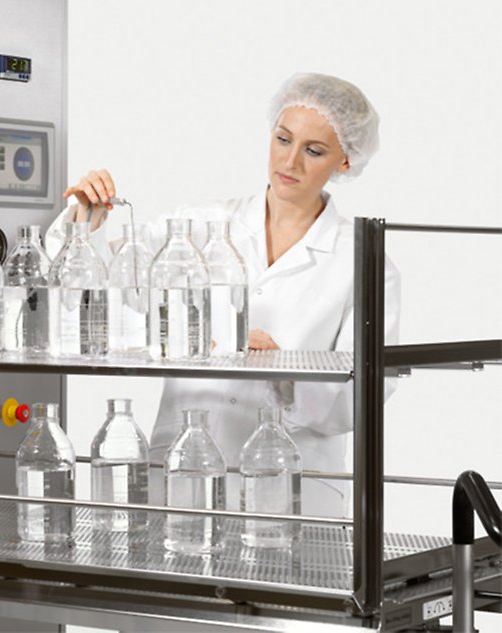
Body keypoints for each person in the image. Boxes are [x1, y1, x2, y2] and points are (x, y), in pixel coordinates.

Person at [47, 73, 400, 517]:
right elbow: (93, 291)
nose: (289, 161)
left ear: (344, 160)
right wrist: (88, 219)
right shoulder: (197, 226)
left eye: (313, 150)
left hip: (294, 495)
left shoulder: (362, 261)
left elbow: (364, 398)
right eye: (282, 139)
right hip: (181, 479)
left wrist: (285, 371)